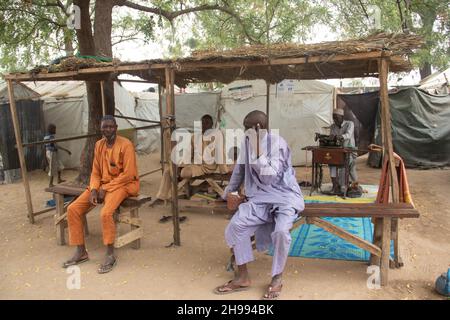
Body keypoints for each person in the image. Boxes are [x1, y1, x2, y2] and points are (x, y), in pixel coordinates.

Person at [214, 110, 304, 300]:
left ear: (258, 127)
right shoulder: (247, 142)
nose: (244, 131)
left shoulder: (277, 143)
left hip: (284, 197)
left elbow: (268, 177)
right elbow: (239, 171)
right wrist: (228, 194)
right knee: (237, 226)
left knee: (281, 232)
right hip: (260, 198)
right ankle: (243, 277)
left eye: (247, 128)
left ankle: (277, 277)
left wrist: (258, 150)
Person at [62, 115, 139, 274]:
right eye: (105, 127)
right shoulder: (99, 145)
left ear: (116, 128)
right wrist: (95, 189)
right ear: (101, 128)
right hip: (104, 186)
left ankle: (110, 255)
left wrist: (106, 188)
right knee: (73, 208)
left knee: (105, 213)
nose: (108, 130)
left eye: (111, 127)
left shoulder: (126, 145)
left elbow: (128, 174)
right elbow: (95, 171)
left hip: (123, 185)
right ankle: (81, 252)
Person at [154, 114, 228, 202]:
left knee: (184, 173)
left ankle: (179, 178)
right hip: (194, 164)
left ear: (211, 125)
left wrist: (224, 171)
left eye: (207, 123)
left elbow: (220, 154)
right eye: (203, 123)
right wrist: (181, 166)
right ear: (201, 124)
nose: (205, 125)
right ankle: (161, 197)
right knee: (168, 171)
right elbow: (188, 153)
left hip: (207, 167)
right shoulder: (195, 137)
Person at [329, 108, 357, 194]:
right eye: (334, 118)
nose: (335, 120)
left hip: (349, 151)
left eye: (336, 118)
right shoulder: (333, 126)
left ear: (342, 117)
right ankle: (335, 185)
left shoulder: (350, 124)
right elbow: (331, 138)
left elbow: (348, 135)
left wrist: (339, 137)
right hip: (338, 152)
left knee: (345, 168)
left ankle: (346, 187)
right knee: (332, 164)